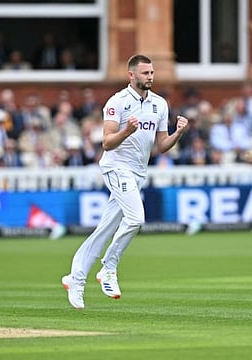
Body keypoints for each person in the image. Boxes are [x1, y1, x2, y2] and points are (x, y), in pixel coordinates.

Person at [61, 54, 188, 309]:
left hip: (138, 173)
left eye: (151, 73)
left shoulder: (159, 104)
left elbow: (161, 146)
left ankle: (75, 278)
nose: (150, 77)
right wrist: (126, 131)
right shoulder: (117, 102)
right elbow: (106, 142)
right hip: (116, 167)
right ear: (131, 75)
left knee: (106, 228)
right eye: (145, 73)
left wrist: (178, 133)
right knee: (136, 218)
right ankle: (108, 268)